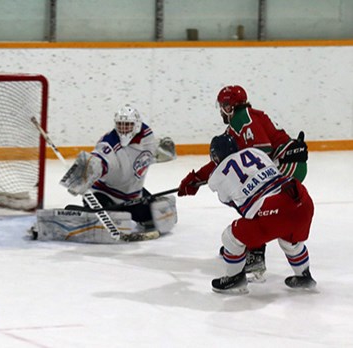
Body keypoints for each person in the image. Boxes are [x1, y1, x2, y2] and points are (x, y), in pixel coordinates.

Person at [178, 85, 309, 279]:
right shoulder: (239, 123)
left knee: (251, 195)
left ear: (230, 107)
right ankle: (251, 245)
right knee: (251, 195)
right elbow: (225, 162)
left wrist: (200, 178)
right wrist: (197, 177)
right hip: (283, 164)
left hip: (288, 164)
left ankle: (254, 252)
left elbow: (260, 152)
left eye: (223, 106)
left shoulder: (244, 119)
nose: (221, 110)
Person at [30, 104, 178, 243]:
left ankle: (118, 212)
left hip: (132, 195)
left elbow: (147, 155)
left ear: (137, 125)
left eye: (128, 125)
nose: (124, 129)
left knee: (154, 216)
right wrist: (85, 173)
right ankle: (65, 219)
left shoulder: (147, 137)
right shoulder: (109, 144)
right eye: (120, 125)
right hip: (103, 194)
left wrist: (162, 151)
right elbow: (98, 160)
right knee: (104, 220)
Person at [207, 134, 316, 294]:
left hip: (273, 210)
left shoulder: (216, 178)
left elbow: (232, 202)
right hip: (301, 199)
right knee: (290, 242)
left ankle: (235, 278)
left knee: (230, 237)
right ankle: (304, 276)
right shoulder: (255, 153)